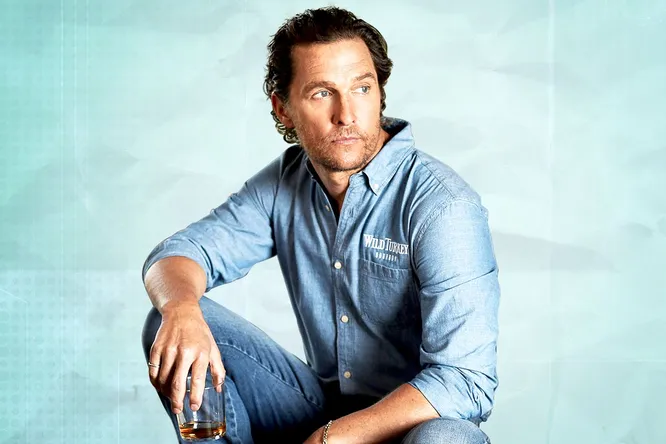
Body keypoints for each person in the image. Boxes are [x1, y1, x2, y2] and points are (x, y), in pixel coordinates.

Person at [141, 6, 499, 444]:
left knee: (447, 439)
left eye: (362, 88)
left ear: (380, 93)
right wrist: (179, 309)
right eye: (321, 93)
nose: (346, 114)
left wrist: (331, 439)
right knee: (170, 322)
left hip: (414, 425)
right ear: (284, 108)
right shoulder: (284, 183)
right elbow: (179, 256)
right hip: (320, 408)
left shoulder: (443, 206)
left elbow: (466, 380)